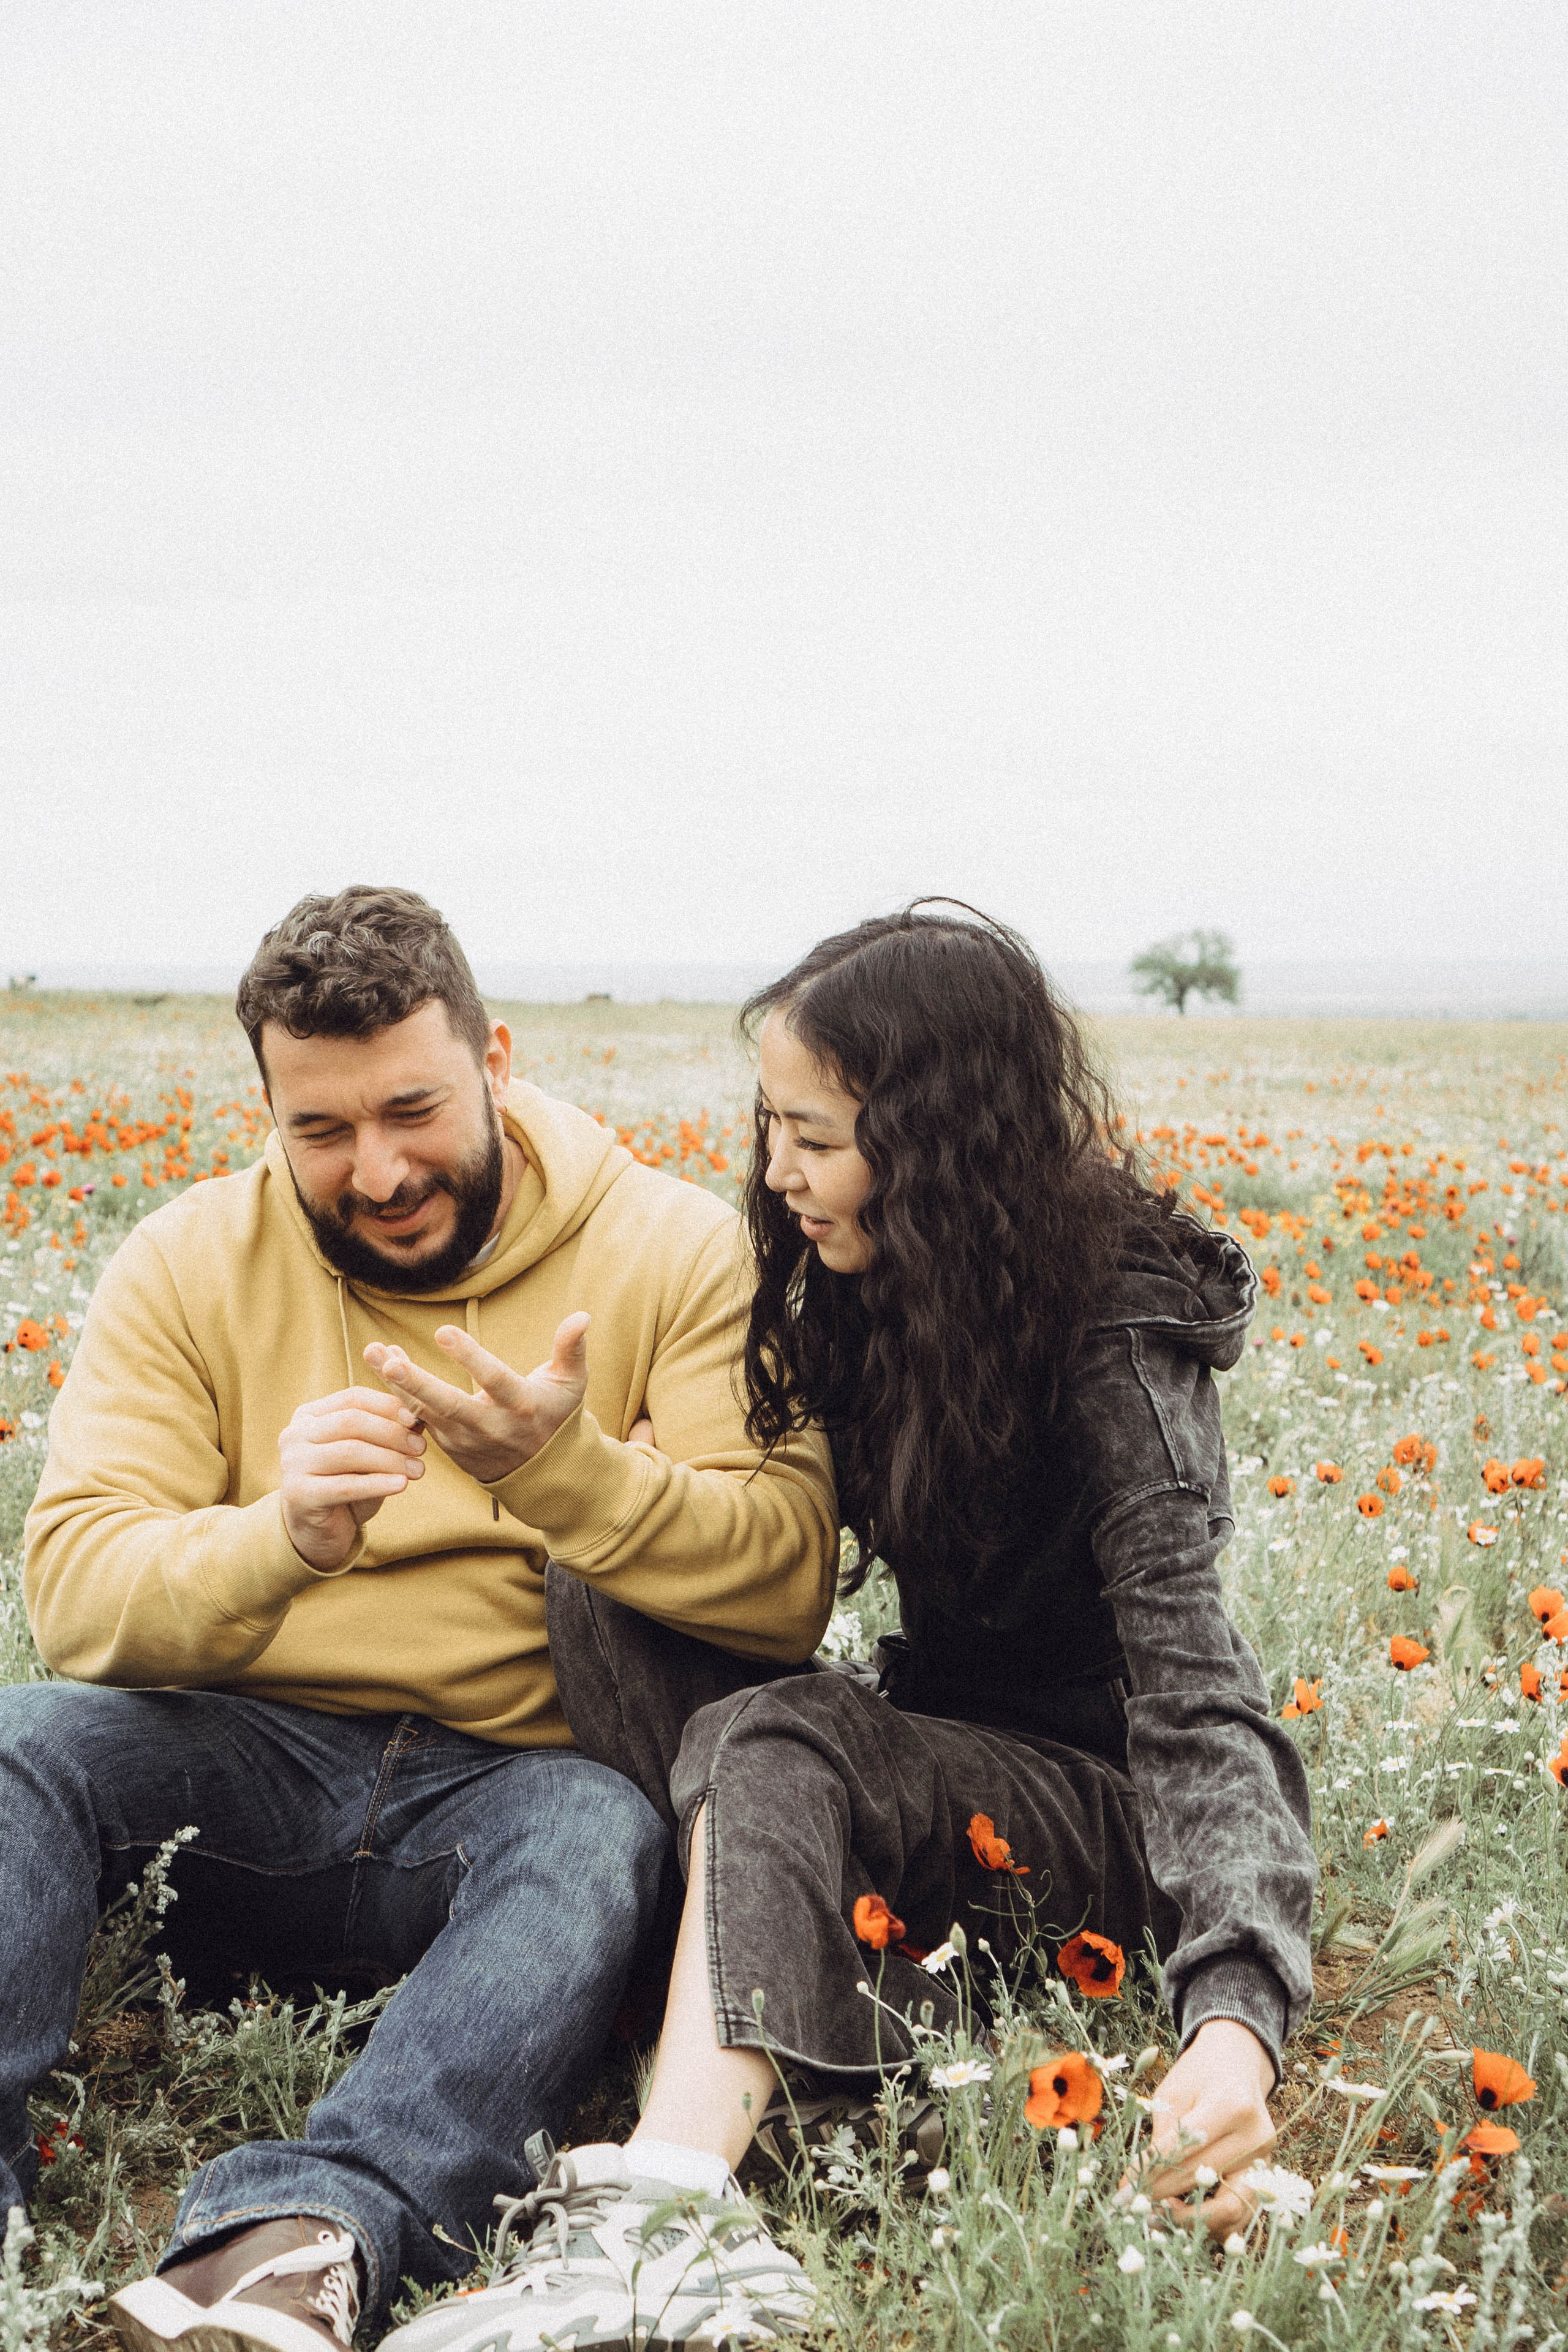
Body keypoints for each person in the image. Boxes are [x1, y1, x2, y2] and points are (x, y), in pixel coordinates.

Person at [382, 905, 1317, 2352]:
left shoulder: (1115, 1326)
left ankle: (673, 2226)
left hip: (1092, 1816)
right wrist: (574, 1468)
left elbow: (1199, 1693)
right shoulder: (872, 1288)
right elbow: (735, 1539)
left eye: (813, 1137)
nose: (775, 1172)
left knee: (782, 1732)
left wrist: (1234, 2015)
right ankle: (746, 2006)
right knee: (612, 1579)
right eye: (769, 1126)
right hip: (930, 1769)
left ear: (939, 1138)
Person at [7, 886, 836, 2352]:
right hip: (238, 1767)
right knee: (19, 1742)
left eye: (413, 1109)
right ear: (266, 1106)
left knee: (599, 1834)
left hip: (515, 1789)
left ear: (496, 1062)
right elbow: (73, 1595)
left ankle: (300, 2237)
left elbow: (782, 1580)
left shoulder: (674, 1248)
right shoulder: (191, 1259)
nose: (377, 1171)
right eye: (319, 1131)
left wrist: (563, 1475)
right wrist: (279, 1539)